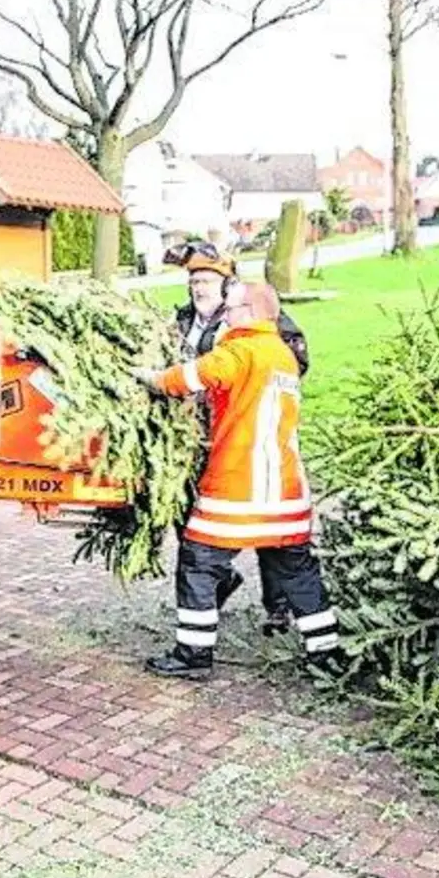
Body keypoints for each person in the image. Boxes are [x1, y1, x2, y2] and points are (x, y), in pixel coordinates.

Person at [133, 280, 341, 680]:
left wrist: (151, 378)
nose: (224, 315)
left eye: (230, 308)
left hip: (239, 484)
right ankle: (326, 653)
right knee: (297, 570)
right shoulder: (282, 354)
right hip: (285, 487)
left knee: (198, 561)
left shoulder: (241, 350)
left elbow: (190, 378)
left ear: (251, 311)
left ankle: (193, 653)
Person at [162, 241, 310, 638]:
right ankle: (218, 584)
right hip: (195, 436)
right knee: (192, 517)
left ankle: (276, 608)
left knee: (267, 529)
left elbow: (290, 362)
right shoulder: (181, 320)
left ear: (227, 284)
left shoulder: (256, 319)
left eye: (207, 279)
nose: (199, 287)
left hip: (245, 434)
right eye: (194, 280)